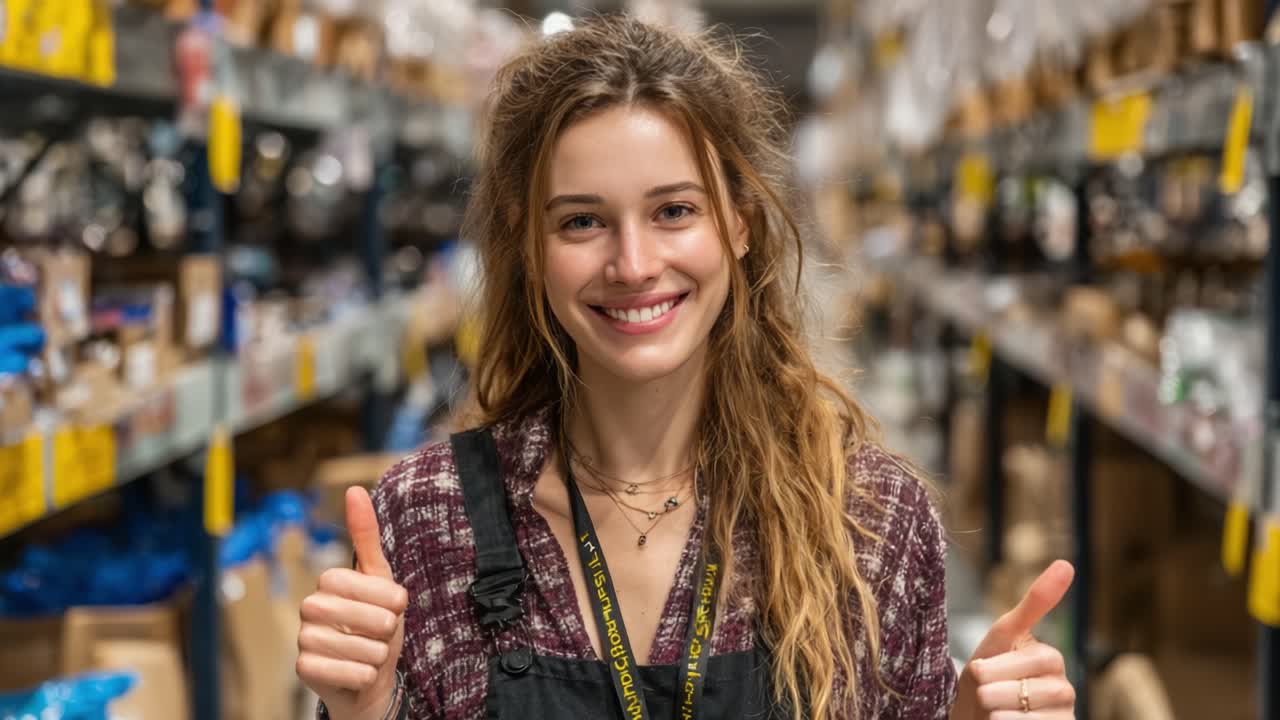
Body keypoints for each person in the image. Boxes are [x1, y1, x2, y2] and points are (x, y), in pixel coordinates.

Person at [295, 15, 1079, 720]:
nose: (634, 264)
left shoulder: (869, 524)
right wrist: (366, 710)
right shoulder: (433, 519)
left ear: (738, 223)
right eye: (581, 221)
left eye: (675, 210)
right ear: (528, 246)